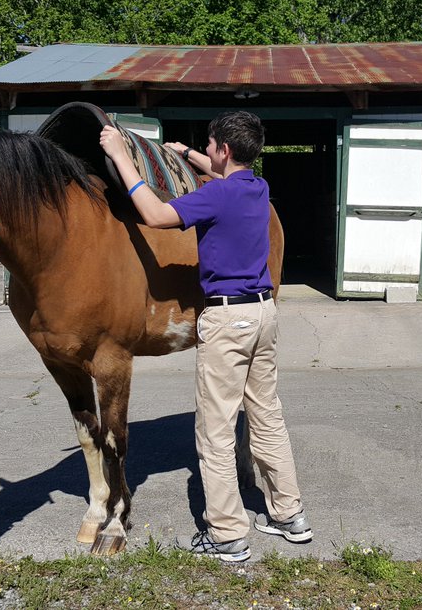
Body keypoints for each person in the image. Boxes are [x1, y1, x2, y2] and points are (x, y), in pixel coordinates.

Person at [98, 111, 311, 563]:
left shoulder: (214, 195)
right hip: (263, 315)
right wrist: (186, 153)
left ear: (224, 150)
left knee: (215, 431)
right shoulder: (256, 187)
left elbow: (155, 214)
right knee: (266, 415)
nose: (208, 153)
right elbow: (220, 167)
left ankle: (228, 535)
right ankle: (289, 515)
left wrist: (121, 156)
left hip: (227, 321)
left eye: (210, 146)